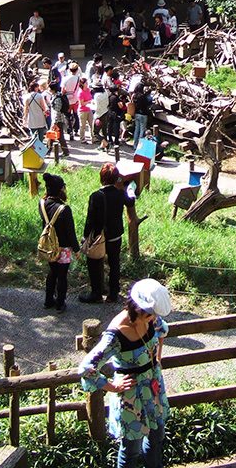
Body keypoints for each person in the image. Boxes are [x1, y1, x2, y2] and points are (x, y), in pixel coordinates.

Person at [78, 279, 172, 468]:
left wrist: (156, 359)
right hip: (131, 395)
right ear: (137, 308)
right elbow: (86, 368)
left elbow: (162, 332)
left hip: (153, 387)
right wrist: (113, 387)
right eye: (150, 316)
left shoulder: (152, 318)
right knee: (131, 449)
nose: (154, 319)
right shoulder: (115, 335)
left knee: (157, 437)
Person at [80, 163, 134, 303]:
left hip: (99, 236)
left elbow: (90, 220)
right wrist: (129, 188)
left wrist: (86, 237)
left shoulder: (96, 196)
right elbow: (130, 202)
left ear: (101, 178)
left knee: (94, 262)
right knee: (114, 264)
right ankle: (113, 294)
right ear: (116, 179)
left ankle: (96, 293)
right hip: (115, 235)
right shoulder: (120, 194)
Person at [39, 173, 79, 312]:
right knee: (62, 276)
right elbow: (70, 232)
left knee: (52, 272)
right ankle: (60, 303)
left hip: (49, 246)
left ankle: (48, 300)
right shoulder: (64, 209)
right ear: (60, 189)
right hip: (63, 248)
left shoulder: (42, 203)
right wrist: (77, 249)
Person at [48, 80, 71, 157]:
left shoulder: (57, 98)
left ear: (53, 89)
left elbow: (57, 111)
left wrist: (54, 122)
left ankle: (65, 152)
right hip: (57, 120)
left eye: (50, 88)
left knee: (59, 137)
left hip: (58, 120)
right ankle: (48, 150)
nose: (49, 90)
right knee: (52, 136)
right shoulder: (57, 95)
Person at [131, 84, 152, 149]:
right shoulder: (143, 97)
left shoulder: (134, 96)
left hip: (136, 114)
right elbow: (147, 104)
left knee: (136, 129)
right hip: (143, 114)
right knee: (142, 130)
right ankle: (140, 146)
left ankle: (135, 145)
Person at [77, 78, 94, 144]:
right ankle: (82, 138)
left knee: (92, 124)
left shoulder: (88, 90)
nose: (87, 84)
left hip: (89, 109)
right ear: (82, 84)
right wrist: (89, 101)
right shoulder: (80, 93)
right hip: (82, 111)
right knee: (82, 125)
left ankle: (93, 137)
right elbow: (82, 103)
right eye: (86, 83)